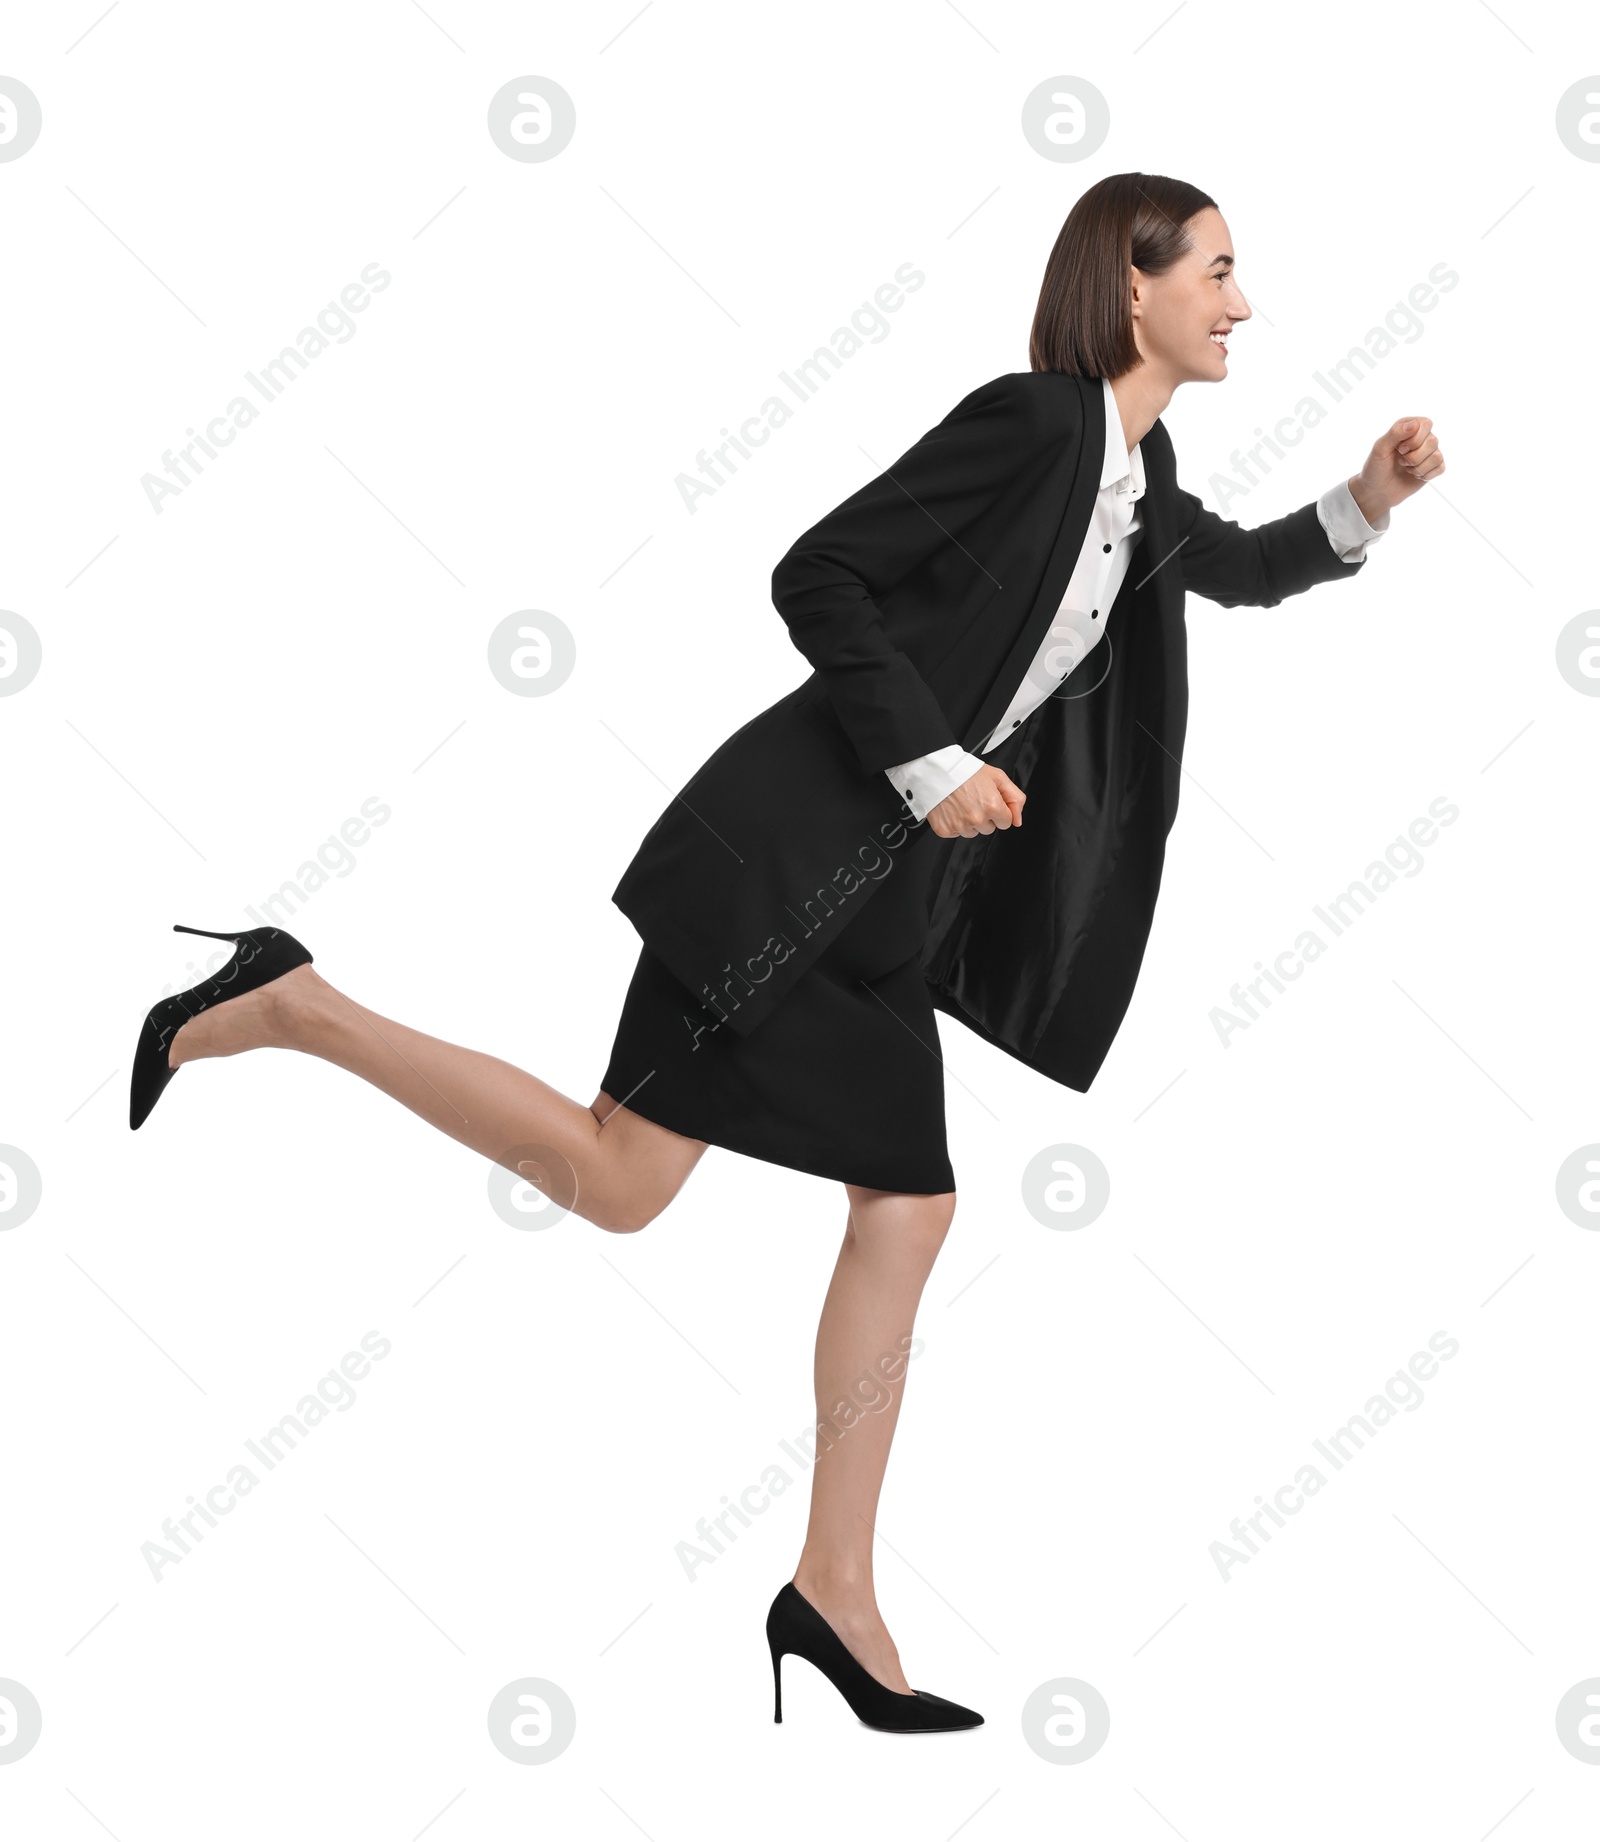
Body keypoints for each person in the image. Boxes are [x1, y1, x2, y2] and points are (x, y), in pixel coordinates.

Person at [129, 172, 1444, 1734]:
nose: (1242, 302)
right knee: (665, 1183)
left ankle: (831, 1586)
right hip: (792, 874)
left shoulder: (1135, 473)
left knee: (844, 1198)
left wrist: (1367, 499)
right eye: (1221, 270)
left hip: (885, 910)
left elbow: (1223, 567)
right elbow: (815, 571)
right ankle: (295, 1001)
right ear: (1133, 285)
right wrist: (931, 759)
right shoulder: (1032, 425)